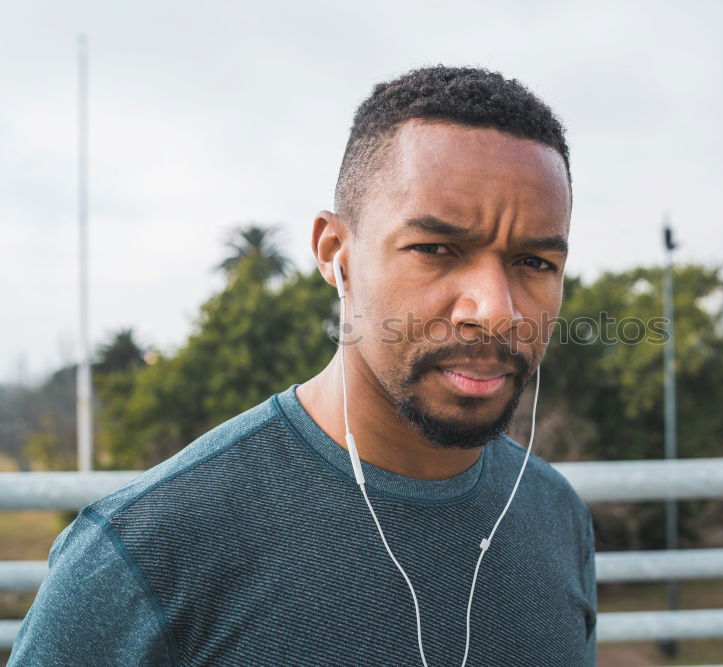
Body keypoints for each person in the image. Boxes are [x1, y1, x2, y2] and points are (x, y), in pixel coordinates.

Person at [9, 65, 597, 666]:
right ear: (334, 254)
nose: (496, 312)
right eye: (437, 250)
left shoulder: (556, 517)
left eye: (534, 262)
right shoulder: (145, 554)